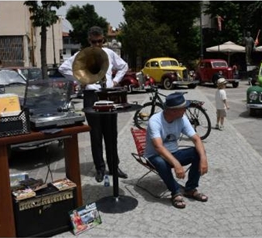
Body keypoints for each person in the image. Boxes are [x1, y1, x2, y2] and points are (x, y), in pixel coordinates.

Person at [59, 26, 129, 182]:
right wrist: (80, 79)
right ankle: (100, 168)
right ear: (89, 41)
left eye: (100, 41)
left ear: (103, 40)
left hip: (108, 94)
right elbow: (62, 68)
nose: (97, 44)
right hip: (91, 95)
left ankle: (114, 166)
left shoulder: (110, 53)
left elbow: (124, 66)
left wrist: (116, 81)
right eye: (94, 41)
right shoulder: (81, 55)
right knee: (95, 135)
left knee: (111, 134)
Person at [144, 92, 209, 209]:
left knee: (197, 153)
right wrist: (176, 164)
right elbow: (158, 147)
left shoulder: (182, 118)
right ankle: (176, 192)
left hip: (174, 153)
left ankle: (190, 189)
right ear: (173, 111)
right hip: (155, 155)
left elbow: (196, 139)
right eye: (184, 108)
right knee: (160, 162)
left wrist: (203, 158)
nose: (186, 110)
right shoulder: (155, 120)